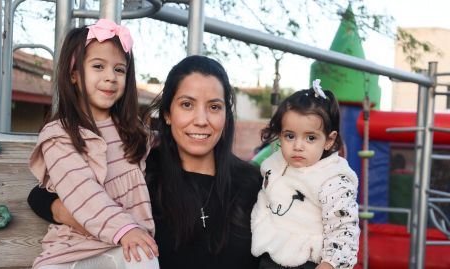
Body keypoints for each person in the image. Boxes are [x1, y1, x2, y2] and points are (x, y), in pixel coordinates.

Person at [28, 55, 262, 269]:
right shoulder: (139, 169)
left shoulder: (253, 183)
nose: (201, 120)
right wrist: (87, 220)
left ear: (225, 115)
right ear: (168, 114)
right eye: (187, 105)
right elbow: (41, 196)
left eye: (214, 107)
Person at [28, 19, 159, 269]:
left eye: (119, 70)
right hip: (73, 252)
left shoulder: (135, 134)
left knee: (145, 258)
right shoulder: (60, 135)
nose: (110, 77)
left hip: (124, 247)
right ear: (75, 75)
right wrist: (124, 228)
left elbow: (168, 146)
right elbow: (83, 191)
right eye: (98, 66)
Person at [251, 79, 360, 269]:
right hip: (270, 255)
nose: (298, 146)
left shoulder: (332, 178)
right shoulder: (275, 165)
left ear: (329, 140)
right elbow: (265, 200)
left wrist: (329, 264)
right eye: (290, 136)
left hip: (308, 261)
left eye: (310, 138)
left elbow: (344, 228)